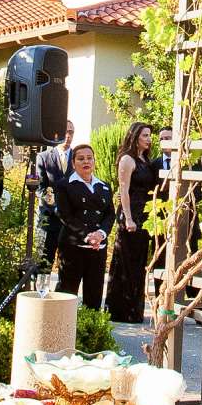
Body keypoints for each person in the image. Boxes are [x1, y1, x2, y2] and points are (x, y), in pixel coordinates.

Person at [106, 122, 161, 322]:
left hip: (144, 216)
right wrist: (128, 218)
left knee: (138, 264)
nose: (149, 139)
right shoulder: (127, 160)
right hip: (131, 215)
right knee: (126, 262)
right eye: (145, 135)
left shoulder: (145, 160)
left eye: (149, 135)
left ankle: (133, 311)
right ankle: (120, 310)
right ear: (135, 136)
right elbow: (123, 191)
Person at [57, 139, 115, 309]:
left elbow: (109, 214)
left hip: (98, 249)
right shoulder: (64, 185)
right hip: (73, 247)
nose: (86, 162)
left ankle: (91, 332)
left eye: (89, 158)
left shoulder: (103, 186)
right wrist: (87, 236)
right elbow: (65, 215)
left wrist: (101, 234)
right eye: (81, 158)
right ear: (73, 163)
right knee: (66, 295)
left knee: (94, 294)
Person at [35, 120, 75, 273]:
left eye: (71, 132)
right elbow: (41, 188)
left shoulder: (78, 157)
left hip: (71, 223)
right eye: (65, 131)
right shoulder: (43, 157)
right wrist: (57, 208)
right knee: (44, 265)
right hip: (49, 220)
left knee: (68, 267)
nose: (68, 135)